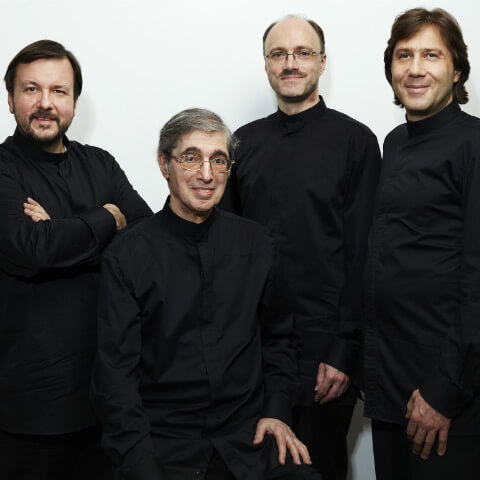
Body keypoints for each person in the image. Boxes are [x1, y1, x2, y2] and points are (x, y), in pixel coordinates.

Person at [92, 108, 324, 480]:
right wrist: (140, 465)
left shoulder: (258, 243)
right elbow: (115, 379)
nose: (206, 174)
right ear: (164, 164)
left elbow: (280, 340)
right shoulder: (126, 256)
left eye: (218, 160)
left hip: (248, 437)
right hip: (164, 443)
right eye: (191, 158)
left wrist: (277, 413)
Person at [219, 15, 381, 480]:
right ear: (266, 64)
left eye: (303, 53)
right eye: (279, 54)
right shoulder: (241, 143)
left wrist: (343, 352)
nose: (290, 63)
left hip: (325, 359)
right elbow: (225, 247)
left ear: (322, 62)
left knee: (317, 470)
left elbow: (364, 254)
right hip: (251, 356)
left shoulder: (356, 141)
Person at [0, 40, 152, 480]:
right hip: (30, 406)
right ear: (10, 99)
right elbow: (30, 248)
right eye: (31, 89)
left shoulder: (100, 164)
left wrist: (59, 232)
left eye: (59, 91)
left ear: (75, 102)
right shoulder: (4, 168)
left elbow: (147, 242)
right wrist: (106, 218)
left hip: (109, 397)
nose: (45, 103)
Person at [363, 8, 480, 480]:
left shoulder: (474, 145)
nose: (415, 68)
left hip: (447, 393)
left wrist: (443, 391)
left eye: (431, 55)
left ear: (457, 70)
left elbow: (478, 283)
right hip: (391, 382)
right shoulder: (394, 142)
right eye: (404, 55)